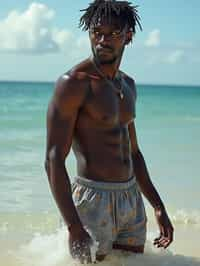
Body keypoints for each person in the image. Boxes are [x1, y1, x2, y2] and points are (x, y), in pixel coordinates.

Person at [45, 0, 174, 263]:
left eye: (113, 33)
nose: (103, 39)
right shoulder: (73, 83)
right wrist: (74, 227)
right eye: (97, 32)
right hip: (92, 201)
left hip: (130, 199)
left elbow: (133, 151)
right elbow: (53, 159)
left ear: (128, 36)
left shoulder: (128, 85)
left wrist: (158, 207)